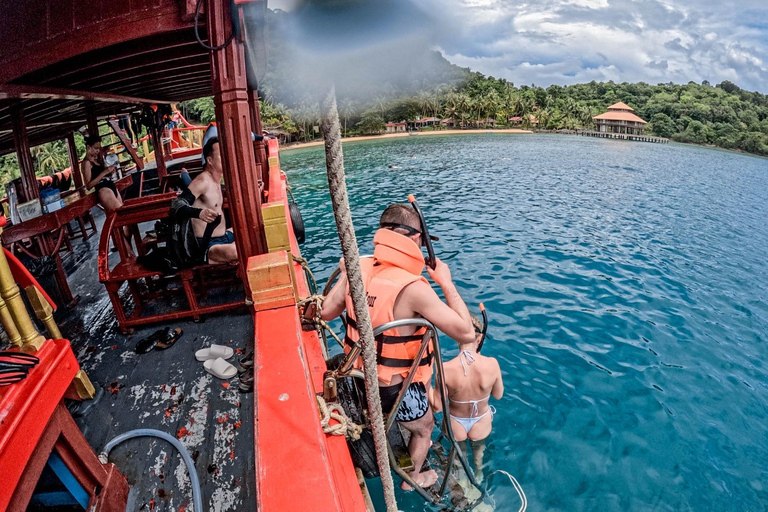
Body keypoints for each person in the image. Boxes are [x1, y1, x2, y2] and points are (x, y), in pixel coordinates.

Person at [321, 203, 476, 490]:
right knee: (425, 426)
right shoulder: (414, 288)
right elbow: (466, 332)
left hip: (356, 377)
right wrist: (445, 281)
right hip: (392, 391)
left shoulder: (359, 268)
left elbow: (327, 312)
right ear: (416, 239)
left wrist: (346, 274)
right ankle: (413, 478)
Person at [430, 315, 503, 483]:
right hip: (481, 422)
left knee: (458, 455)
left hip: (456, 423)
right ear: (480, 338)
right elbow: (498, 395)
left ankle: (462, 479)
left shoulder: (445, 368)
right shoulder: (492, 364)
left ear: (457, 337)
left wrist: (425, 383)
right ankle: (478, 472)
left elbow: (437, 407)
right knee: (479, 454)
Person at [179, 125, 237, 265]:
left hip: (223, 237)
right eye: (220, 154)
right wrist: (198, 213)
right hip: (207, 244)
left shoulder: (216, 181)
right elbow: (178, 204)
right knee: (237, 252)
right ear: (210, 161)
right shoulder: (203, 181)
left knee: (256, 231)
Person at [82, 135, 123, 212]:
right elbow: (88, 185)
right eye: (95, 148)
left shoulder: (96, 160)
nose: (98, 151)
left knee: (122, 214)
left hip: (110, 186)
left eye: (99, 148)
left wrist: (109, 173)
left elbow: (101, 176)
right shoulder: (87, 163)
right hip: (104, 190)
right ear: (88, 147)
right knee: (121, 215)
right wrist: (104, 172)